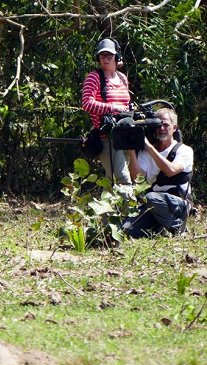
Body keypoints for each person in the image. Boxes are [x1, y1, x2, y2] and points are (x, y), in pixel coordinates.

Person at [122, 108, 193, 238]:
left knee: (151, 197)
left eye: (165, 124)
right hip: (154, 204)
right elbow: (139, 179)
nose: (161, 128)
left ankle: (178, 227)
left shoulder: (184, 150)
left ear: (174, 127)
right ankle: (160, 227)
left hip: (178, 203)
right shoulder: (145, 152)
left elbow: (170, 171)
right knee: (127, 229)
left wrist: (149, 147)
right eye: (158, 125)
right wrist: (132, 150)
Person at [81, 38, 132, 184]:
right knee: (122, 178)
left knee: (113, 179)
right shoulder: (94, 77)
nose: (106, 59)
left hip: (125, 134)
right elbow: (86, 104)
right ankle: (130, 207)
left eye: (109, 55)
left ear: (117, 57)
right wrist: (112, 107)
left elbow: (126, 104)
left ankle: (106, 207)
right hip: (106, 135)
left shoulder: (122, 78)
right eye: (102, 56)